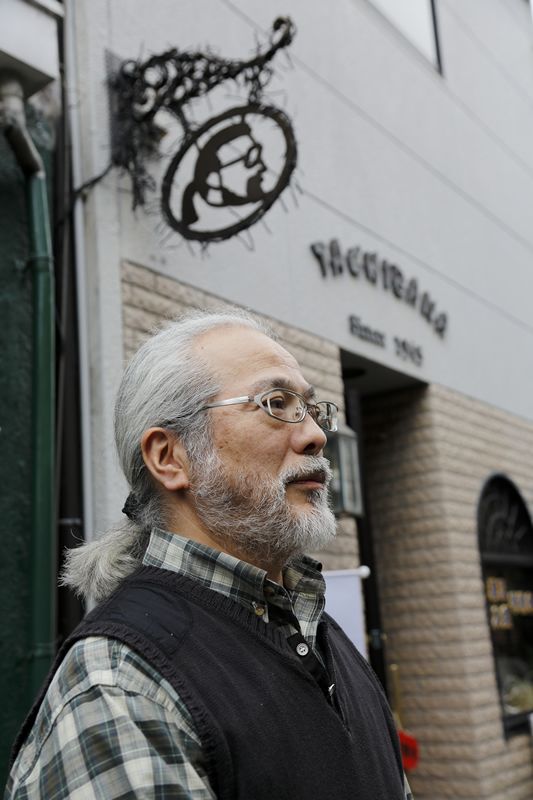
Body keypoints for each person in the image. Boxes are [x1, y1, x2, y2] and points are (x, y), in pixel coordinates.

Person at [6, 308, 413, 799]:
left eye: (310, 409)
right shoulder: (121, 679)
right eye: (276, 403)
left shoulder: (320, 632)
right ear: (169, 457)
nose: (315, 436)